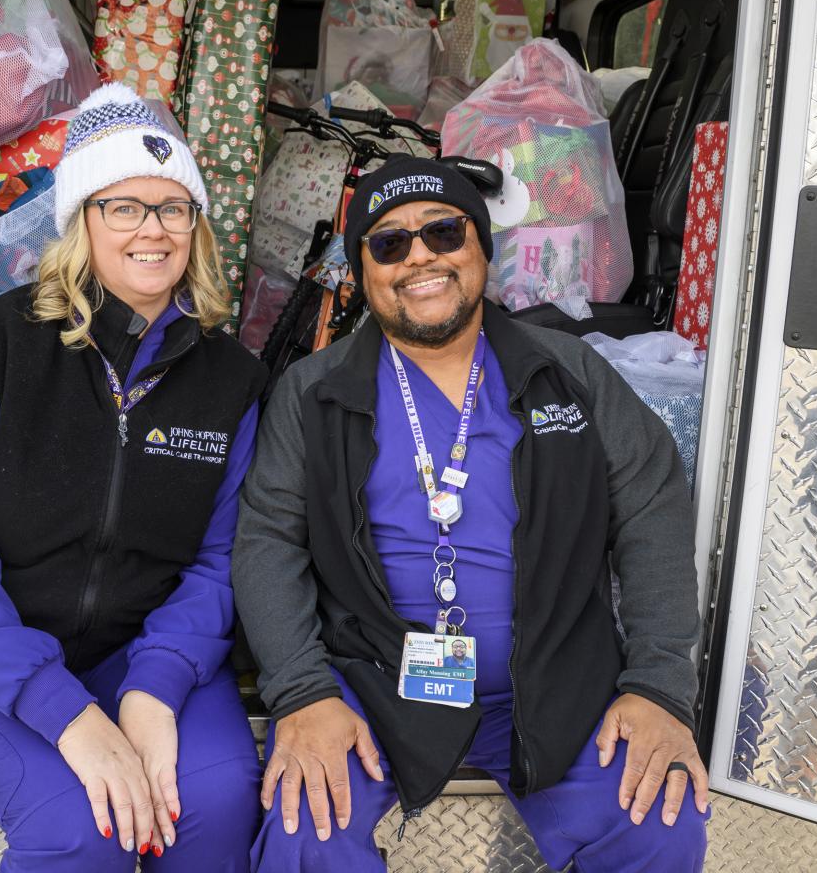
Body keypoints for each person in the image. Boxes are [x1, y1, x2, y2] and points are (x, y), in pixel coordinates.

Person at [233, 156, 709, 872]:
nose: (419, 256)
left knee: (660, 823)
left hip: (554, 678)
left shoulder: (567, 373)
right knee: (308, 831)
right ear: (363, 271)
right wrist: (301, 693)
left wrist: (659, 686)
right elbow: (268, 541)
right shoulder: (312, 392)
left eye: (444, 232)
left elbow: (652, 509)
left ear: (482, 247)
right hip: (375, 681)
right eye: (389, 243)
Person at [0, 83, 267, 872]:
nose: (152, 229)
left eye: (174, 208)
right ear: (81, 221)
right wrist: (67, 714)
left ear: (196, 228)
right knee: (80, 828)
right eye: (123, 207)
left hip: (142, 649)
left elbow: (220, 561)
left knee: (214, 799)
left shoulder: (231, 379)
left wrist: (154, 688)